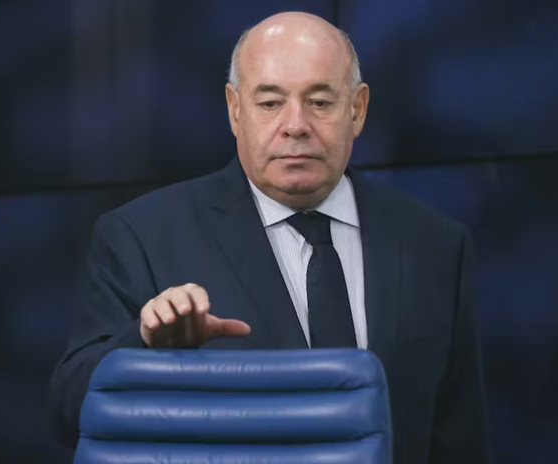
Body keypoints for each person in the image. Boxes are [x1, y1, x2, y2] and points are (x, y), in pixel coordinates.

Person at [50, 11, 489, 463]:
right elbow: (67, 410)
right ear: (235, 109)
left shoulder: (436, 246)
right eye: (270, 103)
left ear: (357, 109)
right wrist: (143, 348)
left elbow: (460, 441)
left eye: (320, 102)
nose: (296, 124)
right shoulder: (142, 236)